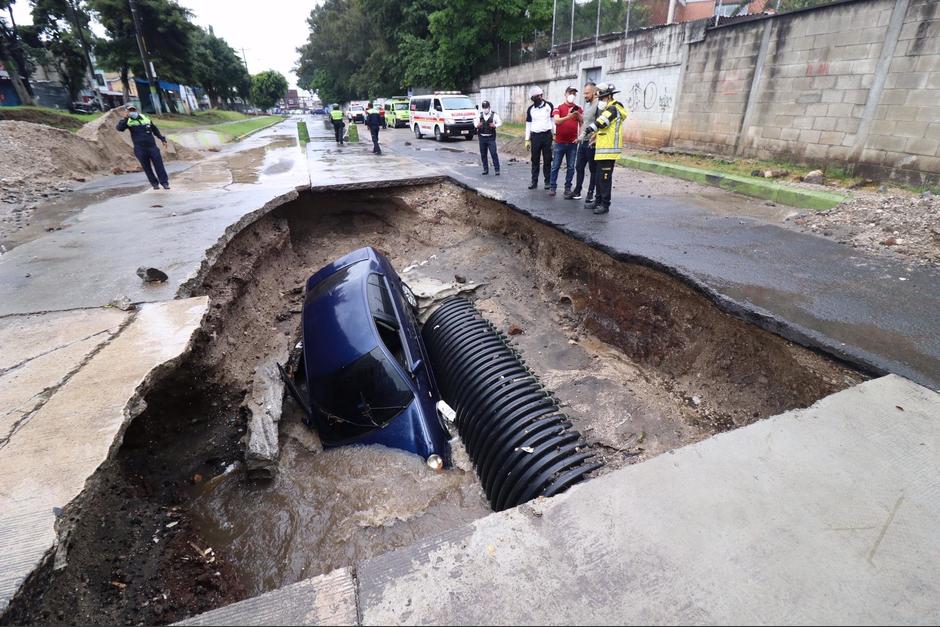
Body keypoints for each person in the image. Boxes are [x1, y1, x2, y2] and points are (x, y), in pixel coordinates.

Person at [584, 83, 628, 214]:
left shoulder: (614, 109)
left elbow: (601, 122)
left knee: (604, 179)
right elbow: (605, 129)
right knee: (598, 178)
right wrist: (595, 137)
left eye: (602, 98)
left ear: (608, 96)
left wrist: (588, 130)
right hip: (602, 150)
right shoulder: (609, 108)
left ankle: (605, 204)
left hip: (609, 151)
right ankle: (597, 201)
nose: (600, 101)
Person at [116, 104, 170, 190]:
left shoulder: (146, 119)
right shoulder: (127, 121)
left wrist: (162, 139)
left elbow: (155, 129)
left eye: (133, 110)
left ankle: (164, 183)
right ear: (127, 112)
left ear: (136, 110)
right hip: (140, 149)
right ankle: (154, 184)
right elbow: (119, 128)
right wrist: (126, 118)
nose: (132, 112)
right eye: (130, 110)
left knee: (159, 166)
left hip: (152, 147)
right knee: (147, 167)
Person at [548, 86, 582, 197]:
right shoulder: (558, 107)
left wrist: (578, 116)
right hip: (559, 142)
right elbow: (557, 121)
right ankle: (553, 187)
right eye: (570, 92)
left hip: (572, 142)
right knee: (555, 166)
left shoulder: (578, 108)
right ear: (565, 94)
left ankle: (568, 188)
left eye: (574, 93)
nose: (572, 95)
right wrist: (569, 116)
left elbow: (582, 122)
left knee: (571, 167)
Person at [568, 81, 598, 205]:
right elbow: (585, 123)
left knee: (593, 169)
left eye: (587, 93)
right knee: (579, 167)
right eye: (584, 93)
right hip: (583, 142)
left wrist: (595, 137)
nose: (585, 95)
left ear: (594, 92)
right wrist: (576, 115)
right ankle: (577, 191)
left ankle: (590, 193)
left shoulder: (598, 106)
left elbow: (600, 124)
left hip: (592, 143)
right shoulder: (587, 105)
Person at [524, 86, 554, 190]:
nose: (534, 100)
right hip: (535, 137)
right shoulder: (531, 109)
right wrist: (527, 139)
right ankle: (534, 182)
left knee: (547, 159)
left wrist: (554, 135)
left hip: (547, 136)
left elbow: (553, 121)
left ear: (540, 96)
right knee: (535, 160)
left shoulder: (549, 106)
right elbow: (528, 125)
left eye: (535, 97)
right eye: (532, 98)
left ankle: (547, 181)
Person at [475, 100, 502, 175]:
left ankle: (497, 169)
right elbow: (475, 123)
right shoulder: (479, 115)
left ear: (489, 107)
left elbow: (500, 122)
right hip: (482, 137)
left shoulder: (494, 115)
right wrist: (477, 125)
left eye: (486, 107)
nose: (485, 109)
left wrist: (495, 125)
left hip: (491, 138)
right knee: (483, 154)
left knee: (493, 153)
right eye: (484, 107)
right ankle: (485, 169)